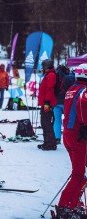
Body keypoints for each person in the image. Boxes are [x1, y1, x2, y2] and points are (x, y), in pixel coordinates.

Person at [55, 63, 87, 218]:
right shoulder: (84, 90)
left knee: (80, 174)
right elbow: (82, 106)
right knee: (78, 174)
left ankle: (74, 204)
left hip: (68, 135)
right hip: (78, 137)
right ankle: (65, 206)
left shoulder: (72, 88)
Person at [37, 59, 57, 151]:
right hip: (45, 103)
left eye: (43, 66)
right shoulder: (48, 75)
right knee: (44, 123)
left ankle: (51, 143)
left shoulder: (51, 75)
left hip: (47, 104)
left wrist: (47, 103)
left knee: (47, 123)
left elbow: (50, 89)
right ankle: (47, 142)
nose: (42, 68)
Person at [53, 65, 74, 144]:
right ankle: (68, 138)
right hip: (66, 102)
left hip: (56, 102)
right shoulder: (69, 78)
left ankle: (57, 138)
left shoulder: (55, 76)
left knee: (57, 120)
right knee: (68, 120)